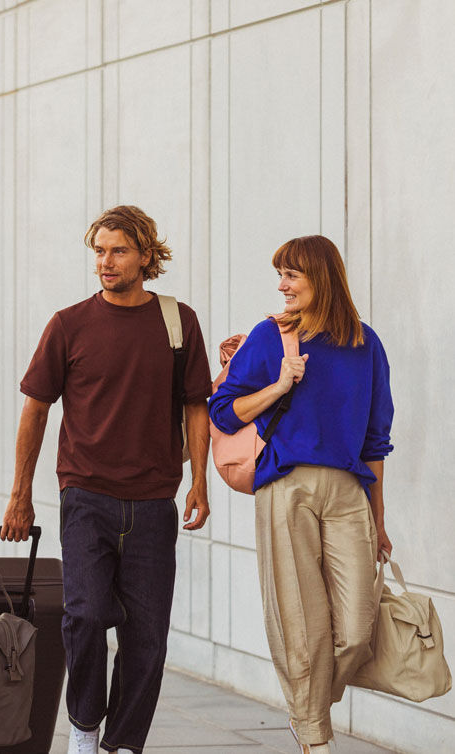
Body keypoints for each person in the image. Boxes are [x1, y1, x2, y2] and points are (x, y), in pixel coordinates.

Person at [0, 205, 212, 754]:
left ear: (146, 254)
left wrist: (200, 483)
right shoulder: (69, 323)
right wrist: (19, 495)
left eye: (118, 250)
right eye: (99, 250)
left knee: (146, 637)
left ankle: (123, 744)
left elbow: (195, 406)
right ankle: (85, 722)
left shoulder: (177, 321)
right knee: (87, 615)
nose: (106, 262)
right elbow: (35, 408)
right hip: (85, 495)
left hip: (152, 501)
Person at [208, 235, 394, 754]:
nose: (282, 285)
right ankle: (315, 737)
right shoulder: (271, 337)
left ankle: (306, 710)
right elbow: (222, 411)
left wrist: (378, 520)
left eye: (293, 275)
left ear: (323, 278)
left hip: (347, 492)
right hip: (285, 485)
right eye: (281, 274)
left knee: (356, 628)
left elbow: (377, 439)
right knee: (300, 621)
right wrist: (277, 387)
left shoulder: (365, 343)